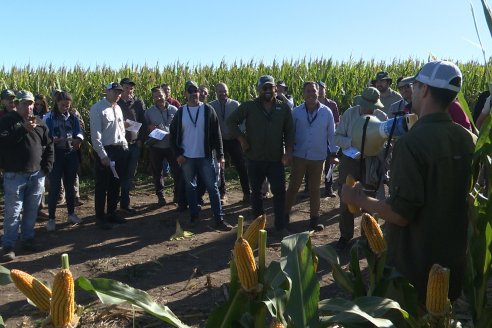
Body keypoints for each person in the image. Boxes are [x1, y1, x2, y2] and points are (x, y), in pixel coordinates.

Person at [341, 60, 475, 303]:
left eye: (414, 86)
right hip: (453, 263)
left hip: (415, 269)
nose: (411, 91)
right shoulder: (468, 139)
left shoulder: (412, 143)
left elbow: (401, 213)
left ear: (424, 90)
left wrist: (357, 198)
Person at [227, 75, 294, 236]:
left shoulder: (283, 108)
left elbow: (290, 132)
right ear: (259, 90)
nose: (268, 90)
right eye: (264, 87)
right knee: (255, 193)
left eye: (270, 87)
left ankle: (280, 226)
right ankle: (258, 227)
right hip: (254, 158)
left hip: (275, 159)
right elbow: (231, 121)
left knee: (279, 193)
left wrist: (288, 152)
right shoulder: (249, 106)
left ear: (275, 89)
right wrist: (242, 139)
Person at [169, 80, 233, 231]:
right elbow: (172, 136)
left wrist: (220, 155)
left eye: (196, 90)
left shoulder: (208, 110)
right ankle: (194, 216)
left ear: (200, 92)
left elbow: (217, 135)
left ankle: (219, 219)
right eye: (190, 91)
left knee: (213, 188)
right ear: (185, 94)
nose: (193, 94)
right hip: (187, 158)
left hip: (205, 156)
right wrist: (178, 154)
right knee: (190, 188)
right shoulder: (181, 112)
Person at [0, 90, 54, 262]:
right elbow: (3, 143)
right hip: (14, 175)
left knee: (31, 211)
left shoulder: (39, 123)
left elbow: (49, 145)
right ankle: (8, 245)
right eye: (24, 103)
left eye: (30, 103)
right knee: (13, 212)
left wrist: (46, 168)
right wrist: (22, 130)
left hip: (36, 175)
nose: (28, 106)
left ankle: (27, 239)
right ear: (16, 105)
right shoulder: (7, 122)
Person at [334, 86, 387, 250]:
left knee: (369, 197)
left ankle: (367, 236)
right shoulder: (350, 114)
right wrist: (352, 143)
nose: (368, 108)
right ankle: (345, 235)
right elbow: (337, 136)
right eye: (365, 105)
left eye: (372, 106)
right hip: (350, 159)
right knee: (346, 197)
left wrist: (373, 148)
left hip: (370, 161)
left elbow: (384, 143)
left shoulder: (381, 117)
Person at [284, 82, 337, 231]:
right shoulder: (296, 112)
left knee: (315, 189)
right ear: (303, 94)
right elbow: (290, 133)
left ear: (318, 92)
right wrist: (288, 152)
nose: (311, 94)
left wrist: (333, 153)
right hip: (299, 154)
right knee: (293, 187)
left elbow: (331, 134)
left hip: (318, 156)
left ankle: (314, 219)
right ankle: (285, 215)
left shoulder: (327, 112)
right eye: (308, 91)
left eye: (313, 91)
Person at [89, 82, 129, 230]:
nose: (117, 95)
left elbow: (120, 130)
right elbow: (95, 135)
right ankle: (100, 217)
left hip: (119, 150)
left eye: (119, 92)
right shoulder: (98, 108)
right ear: (107, 91)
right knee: (102, 185)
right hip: (106, 151)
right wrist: (102, 155)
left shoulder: (118, 108)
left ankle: (112, 212)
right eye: (115, 92)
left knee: (115, 184)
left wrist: (124, 146)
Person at [44, 91, 84, 231]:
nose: (65, 108)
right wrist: (51, 140)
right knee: (55, 187)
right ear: (56, 103)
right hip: (55, 154)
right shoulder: (49, 117)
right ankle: (51, 218)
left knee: (70, 185)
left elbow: (79, 132)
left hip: (70, 153)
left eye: (67, 105)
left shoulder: (72, 117)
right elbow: (43, 135)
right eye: (62, 105)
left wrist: (78, 139)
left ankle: (71, 214)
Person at [209, 82, 250, 203]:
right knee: (220, 168)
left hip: (234, 140)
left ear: (228, 91)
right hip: (219, 142)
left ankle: (247, 193)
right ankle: (222, 194)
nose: (223, 93)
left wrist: (238, 132)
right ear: (216, 92)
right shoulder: (211, 106)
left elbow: (243, 121)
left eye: (225, 91)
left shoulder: (235, 104)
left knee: (241, 166)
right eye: (220, 91)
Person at [145, 86, 181, 206]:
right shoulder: (149, 112)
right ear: (153, 98)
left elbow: (180, 127)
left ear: (165, 95)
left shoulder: (174, 110)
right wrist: (149, 127)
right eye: (155, 96)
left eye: (160, 95)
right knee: (157, 173)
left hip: (172, 147)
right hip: (156, 147)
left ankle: (177, 195)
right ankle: (161, 196)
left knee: (176, 171)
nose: (158, 98)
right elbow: (144, 129)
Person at [117, 77, 146, 213]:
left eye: (131, 88)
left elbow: (143, 122)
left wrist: (141, 139)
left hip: (134, 144)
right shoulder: (115, 104)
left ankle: (125, 203)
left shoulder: (138, 103)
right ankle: (117, 202)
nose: (129, 90)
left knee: (129, 175)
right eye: (126, 88)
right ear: (121, 88)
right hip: (120, 145)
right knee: (119, 174)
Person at [318, 81, 340, 197]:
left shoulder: (332, 104)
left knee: (330, 164)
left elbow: (337, 121)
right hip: (316, 138)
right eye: (318, 88)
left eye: (322, 88)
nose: (320, 91)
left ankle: (328, 186)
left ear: (325, 90)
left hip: (329, 138)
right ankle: (308, 187)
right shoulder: (312, 104)